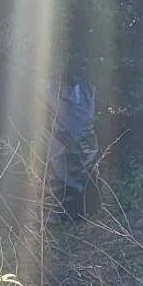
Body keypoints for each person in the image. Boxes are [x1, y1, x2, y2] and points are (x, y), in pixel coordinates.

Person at [50, 60, 98, 220]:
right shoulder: (83, 93)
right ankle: (81, 207)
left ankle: (70, 208)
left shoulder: (82, 92)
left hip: (75, 152)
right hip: (72, 152)